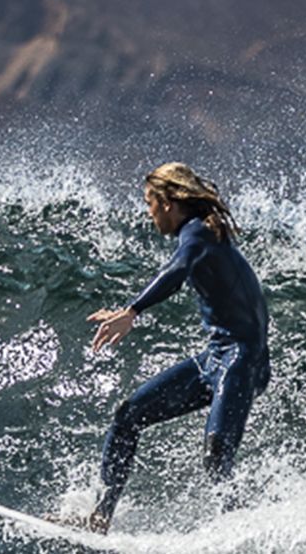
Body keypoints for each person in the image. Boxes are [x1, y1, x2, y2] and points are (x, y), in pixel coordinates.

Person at [63, 162, 272, 535]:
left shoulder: (198, 234)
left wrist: (132, 311)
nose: (148, 213)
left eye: (150, 203)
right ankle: (100, 519)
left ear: (168, 202)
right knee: (128, 416)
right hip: (217, 355)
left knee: (216, 457)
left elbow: (177, 270)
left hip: (242, 359)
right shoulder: (204, 233)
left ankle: (247, 533)